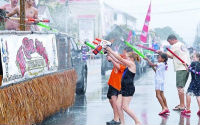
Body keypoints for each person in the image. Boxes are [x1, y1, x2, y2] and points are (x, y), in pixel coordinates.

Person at [106, 47, 141, 125]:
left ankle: (137, 121)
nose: (125, 58)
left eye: (127, 57)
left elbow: (120, 59)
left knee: (125, 107)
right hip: (123, 88)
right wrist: (110, 54)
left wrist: (111, 50)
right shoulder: (128, 64)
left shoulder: (131, 64)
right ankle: (122, 123)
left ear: (131, 58)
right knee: (118, 105)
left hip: (128, 88)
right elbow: (118, 60)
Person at [157, 34, 190, 111]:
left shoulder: (175, 45)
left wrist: (161, 52)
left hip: (181, 68)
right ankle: (182, 103)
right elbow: (172, 56)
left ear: (173, 40)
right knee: (180, 87)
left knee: (180, 87)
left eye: (169, 42)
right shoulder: (182, 44)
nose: (170, 44)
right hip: (186, 67)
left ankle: (182, 105)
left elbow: (167, 55)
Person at [106, 47, 131, 125]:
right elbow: (115, 56)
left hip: (118, 83)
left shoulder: (128, 62)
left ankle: (116, 119)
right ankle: (118, 115)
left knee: (114, 100)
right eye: (123, 52)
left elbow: (119, 67)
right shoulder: (121, 57)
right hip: (112, 82)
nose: (123, 54)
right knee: (111, 100)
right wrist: (108, 53)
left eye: (125, 53)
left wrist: (112, 60)